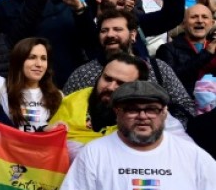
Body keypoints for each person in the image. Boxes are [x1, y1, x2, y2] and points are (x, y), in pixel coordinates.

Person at [59, 81, 216, 190]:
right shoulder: (94, 153)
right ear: (117, 112)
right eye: (132, 110)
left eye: (152, 109)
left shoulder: (193, 155)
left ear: (164, 112)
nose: (142, 116)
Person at [63, 9, 196, 126]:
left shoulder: (158, 68)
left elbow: (184, 105)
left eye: (117, 29)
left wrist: (163, 133)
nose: (110, 34)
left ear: (133, 35)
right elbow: (64, 111)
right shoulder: (82, 74)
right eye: (104, 30)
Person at [49, 52, 191, 161]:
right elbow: (48, 146)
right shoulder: (75, 100)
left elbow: (185, 153)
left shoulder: (153, 115)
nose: (110, 87)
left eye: (120, 83)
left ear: (138, 87)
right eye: (107, 78)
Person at [154, 4, 216, 95]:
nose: (199, 21)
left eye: (205, 17)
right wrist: (206, 54)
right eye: (194, 17)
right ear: (183, 24)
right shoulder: (167, 49)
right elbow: (170, 82)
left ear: (212, 23)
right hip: (184, 104)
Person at [5, 37, 63, 131]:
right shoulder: (2, 88)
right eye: (32, 57)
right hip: (13, 145)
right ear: (18, 60)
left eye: (44, 59)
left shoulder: (58, 96)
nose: (39, 64)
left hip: (44, 145)